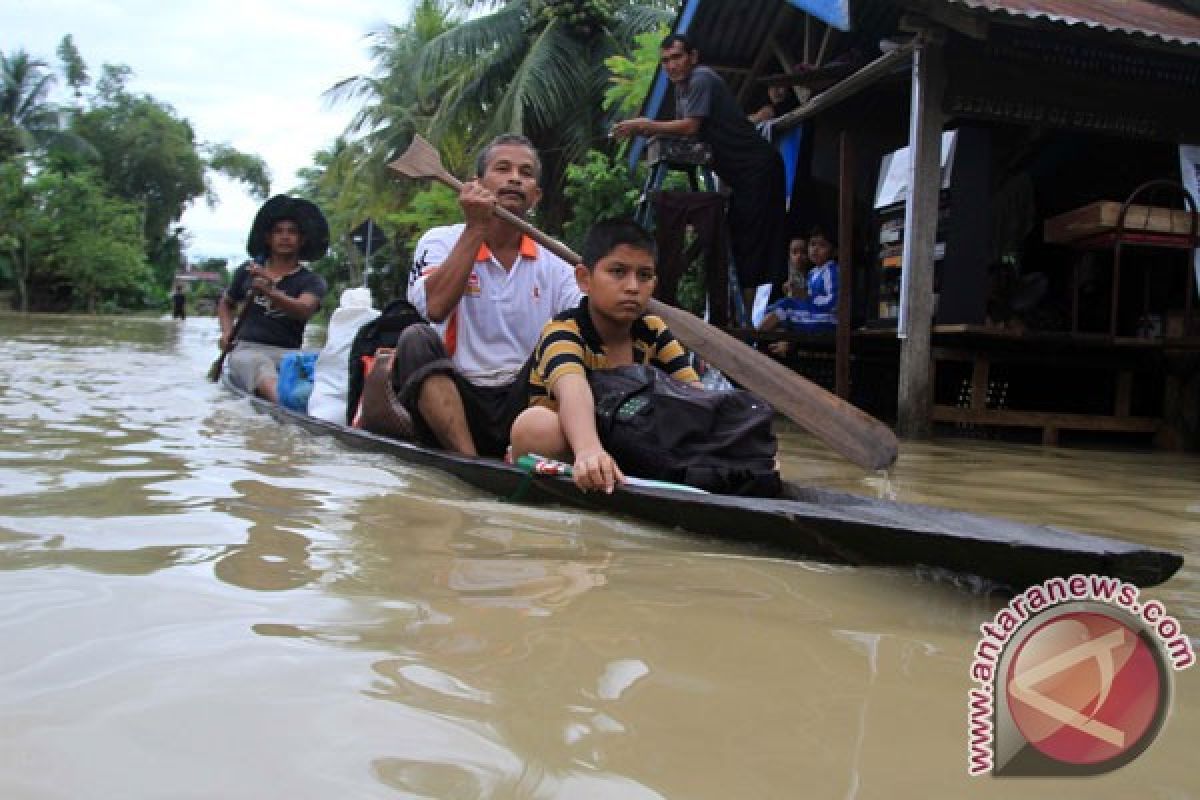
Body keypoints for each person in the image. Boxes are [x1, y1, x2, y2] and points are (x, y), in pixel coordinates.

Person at [394, 133, 581, 458]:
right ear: (476, 184)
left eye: (525, 173)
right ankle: (468, 459)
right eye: (503, 169)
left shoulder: (558, 259)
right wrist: (476, 228)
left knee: (574, 344)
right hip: (457, 397)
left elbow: (586, 325)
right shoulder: (438, 241)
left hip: (526, 398)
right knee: (415, 339)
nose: (514, 179)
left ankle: (530, 450)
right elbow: (435, 307)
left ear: (535, 196)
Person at [510, 219, 700, 494]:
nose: (633, 287)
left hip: (627, 444)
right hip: (570, 447)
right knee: (535, 425)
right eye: (618, 272)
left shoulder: (653, 331)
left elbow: (694, 396)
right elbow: (573, 389)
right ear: (584, 279)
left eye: (644, 276)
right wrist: (589, 450)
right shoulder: (563, 332)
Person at [612, 33, 788, 314]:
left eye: (677, 57)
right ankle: (736, 318)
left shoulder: (701, 78)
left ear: (693, 58)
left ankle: (745, 325)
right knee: (737, 243)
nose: (671, 65)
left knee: (752, 247)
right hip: (740, 178)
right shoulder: (682, 90)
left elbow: (691, 127)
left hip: (757, 169)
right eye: (666, 60)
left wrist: (646, 125)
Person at [217, 195, 329, 402]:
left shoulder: (312, 281)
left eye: (292, 232)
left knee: (321, 363)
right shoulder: (248, 271)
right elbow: (226, 302)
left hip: (288, 353)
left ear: (302, 240)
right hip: (248, 350)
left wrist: (270, 291)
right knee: (260, 366)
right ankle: (284, 405)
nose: (285, 237)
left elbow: (304, 309)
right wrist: (226, 332)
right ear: (268, 238)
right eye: (279, 232)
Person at [758, 227, 838, 350]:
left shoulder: (831, 270)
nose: (815, 249)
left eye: (822, 245)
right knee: (776, 307)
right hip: (815, 315)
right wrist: (797, 294)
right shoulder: (813, 272)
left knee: (785, 306)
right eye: (812, 244)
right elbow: (807, 297)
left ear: (834, 252)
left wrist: (807, 297)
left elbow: (834, 302)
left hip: (827, 319)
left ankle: (754, 338)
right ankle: (763, 341)